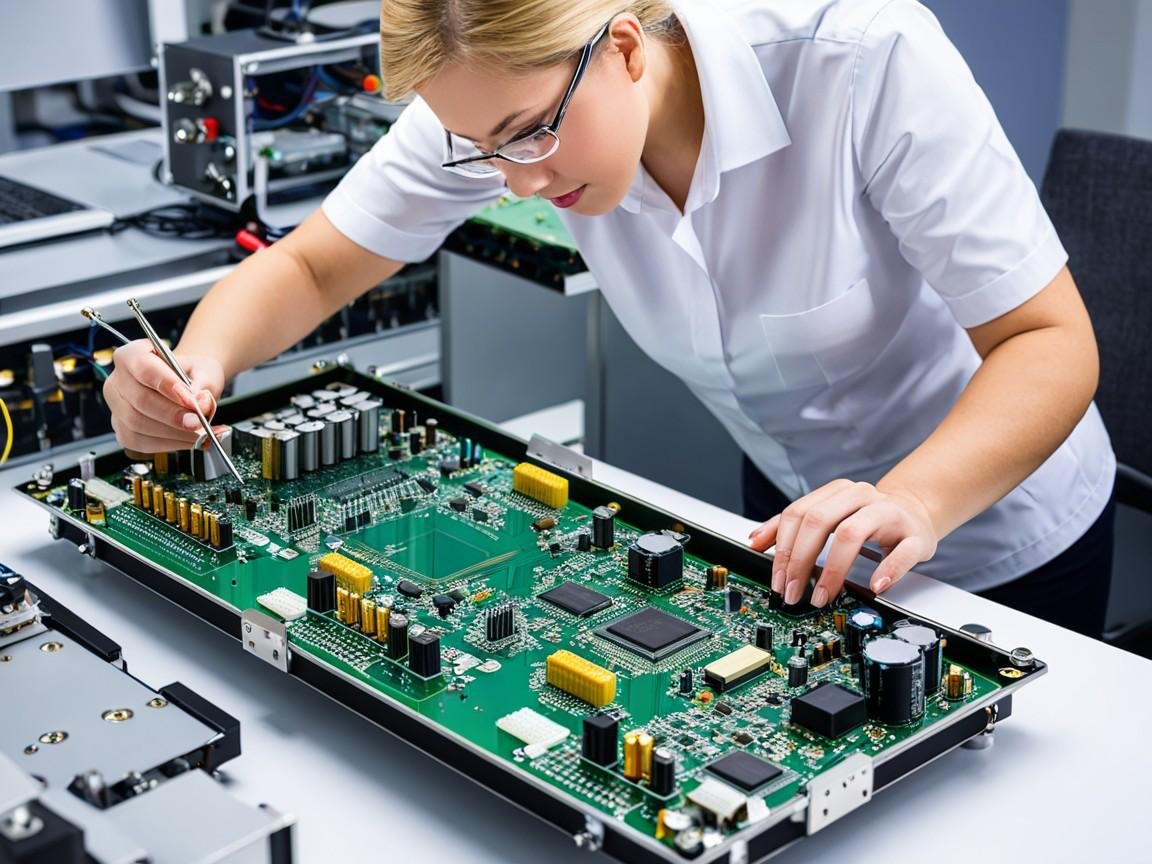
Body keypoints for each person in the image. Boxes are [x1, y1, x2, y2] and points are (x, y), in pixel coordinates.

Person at [103, 0, 1116, 638]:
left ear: (625, 45)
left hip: (999, 521)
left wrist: (920, 502)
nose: (517, 180)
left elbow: (1048, 344)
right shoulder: (492, 96)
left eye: (532, 134)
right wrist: (194, 365)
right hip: (794, 513)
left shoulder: (862, 53)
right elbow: (317, 264)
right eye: (481, 150)